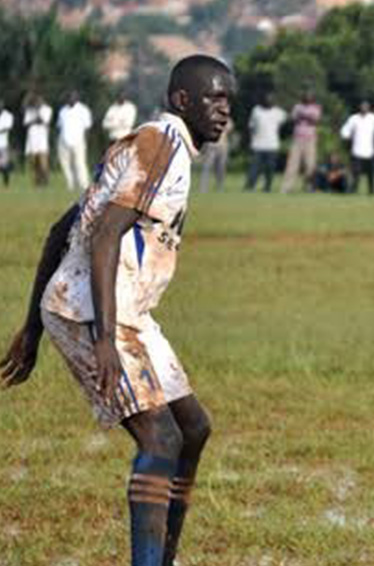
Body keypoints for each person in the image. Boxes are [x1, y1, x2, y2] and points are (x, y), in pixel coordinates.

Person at [1, 54, 236, 566]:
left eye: (228, 102)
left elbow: (61, 230)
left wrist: (31, 329)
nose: (224, 111)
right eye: (215, 99)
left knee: (193, 428)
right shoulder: (162, 145)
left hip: (124, 311)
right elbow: (105, 234)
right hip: (93, 311)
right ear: (182, 100)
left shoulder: (157, 146)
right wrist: (103, 339)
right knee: (161, 437)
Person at [244, 92, 287, 192]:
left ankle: (267, 187)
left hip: (272, 145)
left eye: (271, 99)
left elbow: (285, 120)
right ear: (263, 100)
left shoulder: (278, 112)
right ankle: (250, 186)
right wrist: (252, 138)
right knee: (254, 168)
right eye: (267, 99)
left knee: (270, 169)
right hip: (258, 145)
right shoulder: (256, 111)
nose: (269, 101)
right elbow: (251, 126)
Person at [281, 89, 322, 194]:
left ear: (313, 98)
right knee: (292, 164)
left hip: (310, 139)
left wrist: (303, 116)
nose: (307, 98)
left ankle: (309, 187)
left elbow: (315, 121)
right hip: (297, 139)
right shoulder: (297, 107)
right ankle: (287, 187)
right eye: (306, 96)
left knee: (310, 165)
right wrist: (304, 117)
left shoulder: (316, 107)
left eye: (310, 96)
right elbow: (293, 119)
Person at [340, 100, 374, 195]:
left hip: (370, 150)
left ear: (369, 108)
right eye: (362, 107)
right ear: (359, 108)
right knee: (356, 173)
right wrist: (347, 137)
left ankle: (371, 191)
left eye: (366, 107)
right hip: (357, 150)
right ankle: (353, 189)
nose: (364, 108)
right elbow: (345, 130)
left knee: (371, 173)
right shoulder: (354, 118)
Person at [57, 90, 94, 192]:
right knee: (65, 164)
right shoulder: (62, 111)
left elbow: (87, 127)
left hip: (78, 141)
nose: (70, 99)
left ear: (77, 98)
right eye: (68, 97)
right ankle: (70, 184)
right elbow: (59, 126)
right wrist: (60, 139)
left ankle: (84, 185)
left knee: (80, 164)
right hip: (63, 140)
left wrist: (85, 141)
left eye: (73, 97)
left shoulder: (83, 110)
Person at [23, 93, 52, 188]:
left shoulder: (47, 109)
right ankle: (37, 182)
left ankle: (46, 181)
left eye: (39, 101)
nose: (37, 103)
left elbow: (43, 121)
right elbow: (26, 124)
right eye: (36, 101)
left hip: (42, 139)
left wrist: (36, 117)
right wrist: (34, 119)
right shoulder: (29, 110)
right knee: (34, 163)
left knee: (43, 162)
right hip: (32, 139)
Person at [198, 117, 232, 193]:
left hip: (222, 145)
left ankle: (220, 187)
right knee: (206, 167)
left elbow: (229, 128)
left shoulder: (226, 118)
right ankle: (203, 188)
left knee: (220, 168)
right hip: (211, 146)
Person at [0, 98, 12, 187]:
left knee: (4, 164)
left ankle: (6, 182)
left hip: (3, 143)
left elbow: (7, 128)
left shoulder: (8, 115)